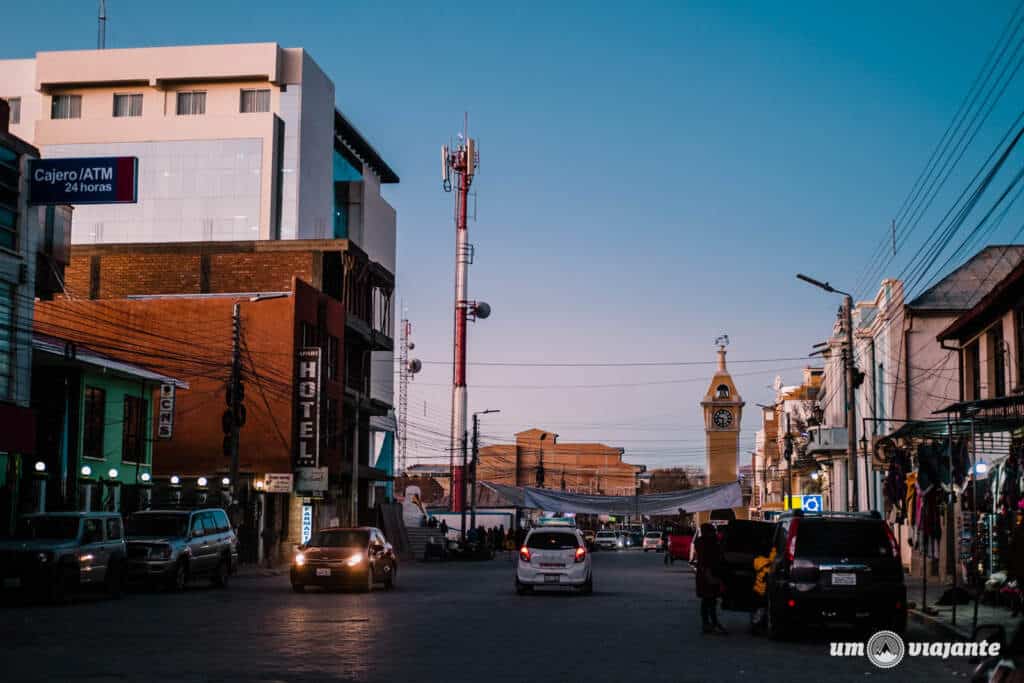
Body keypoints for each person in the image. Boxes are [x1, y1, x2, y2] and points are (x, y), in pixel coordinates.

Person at [695, 522, 727, 635]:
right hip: (708, 574)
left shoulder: (702, 542)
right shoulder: (708, 543)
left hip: (704, 574)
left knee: (707, 601)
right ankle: (711, 624)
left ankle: (708, 624)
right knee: (710, 600)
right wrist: (710, 575)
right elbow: (707, 560)